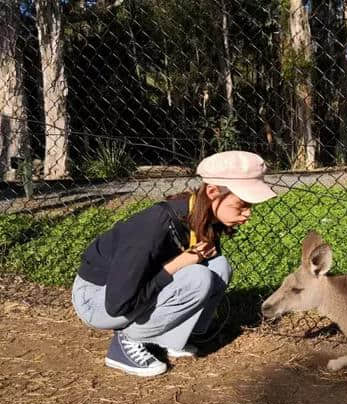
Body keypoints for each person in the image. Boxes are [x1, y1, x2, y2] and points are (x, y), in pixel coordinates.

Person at [71, 151, 277, 377]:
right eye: (242, 205)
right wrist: (178, 264)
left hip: (129, 292)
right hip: (97, 299)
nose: (248, 214)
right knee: (199, 277)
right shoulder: (152, 227)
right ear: (212, 192)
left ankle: (168, 336)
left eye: (250, 206)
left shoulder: (201, 216)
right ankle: (126, 341)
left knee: (219, 267)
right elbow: (117, 305)